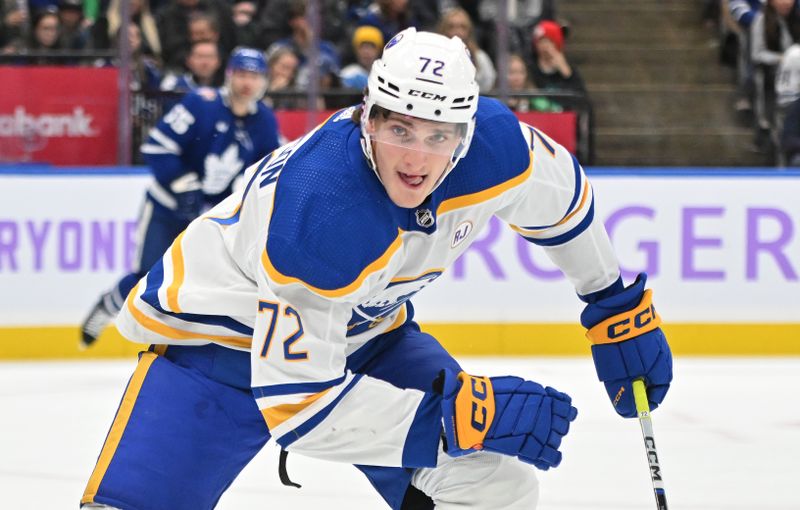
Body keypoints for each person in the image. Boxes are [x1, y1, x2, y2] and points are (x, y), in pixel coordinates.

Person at [80, 29, 673, 509]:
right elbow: (299, 410)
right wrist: (465, 416)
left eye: (439, 136)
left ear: (466, 134)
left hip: (366, 334)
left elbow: (564, 199)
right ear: (367, 117)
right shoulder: (322, 210)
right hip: (212, 347)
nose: (416, 159)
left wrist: (612, 302)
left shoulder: (499, 147)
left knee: (496, 487)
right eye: (399, 129)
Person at [79, 47, 281, 349]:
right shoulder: (201, 104)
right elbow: (156, 147)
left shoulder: (264, 120)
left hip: (210, 219)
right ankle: (107, 306)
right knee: (146, 276)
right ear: (228, 76)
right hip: (166, 206)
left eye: (254, 76)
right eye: (241, 74)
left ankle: (180, 345)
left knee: (204, 285)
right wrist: (183, 184)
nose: (246, 83)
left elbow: (267, 170)